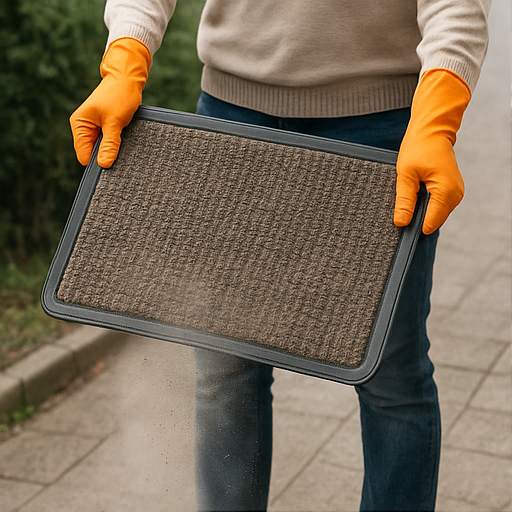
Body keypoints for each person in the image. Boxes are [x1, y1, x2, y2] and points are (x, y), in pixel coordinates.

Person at [70, 1, 491, 510]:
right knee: (225, 371)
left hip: (380, 130)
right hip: (233, 115)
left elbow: (455, 8)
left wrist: (437, 119)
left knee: (391, 377)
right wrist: (124, 58)